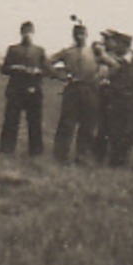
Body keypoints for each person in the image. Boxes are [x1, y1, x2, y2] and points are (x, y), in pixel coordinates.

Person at [49, 21, 99, 164]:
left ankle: (82, 156)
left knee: (88, 124)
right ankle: (60, 156)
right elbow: (48, 62)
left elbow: (113, 64)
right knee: (67, 123)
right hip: (73, 89)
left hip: (90, 89)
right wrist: (58, 75)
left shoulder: (94, 52)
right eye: (77, 34)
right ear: (73, 36)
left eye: (82, 34)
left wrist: (100, 76)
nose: (79, 37)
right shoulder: (67, 52)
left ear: (87, 35)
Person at [96, 30, 133, 167]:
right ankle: (117, 159)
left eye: (117, 43)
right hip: (117, 100)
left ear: (124, 45)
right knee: (115, 130)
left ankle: (121, 155)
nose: (114, 46)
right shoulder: (112, 59)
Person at [0, 21, 47, 156]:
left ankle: (36, 151)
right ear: (21, 33)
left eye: (30, 32)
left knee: (35, 122)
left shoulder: (39, 51)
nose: (27, 35)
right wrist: (14, 68)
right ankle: (6, 149)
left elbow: (47, 70)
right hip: (16, 90)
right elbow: (4, 69)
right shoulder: (13, 50)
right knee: (11, 121)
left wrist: (38, 70)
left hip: (34, 91)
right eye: (25, 32)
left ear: (33, 33)